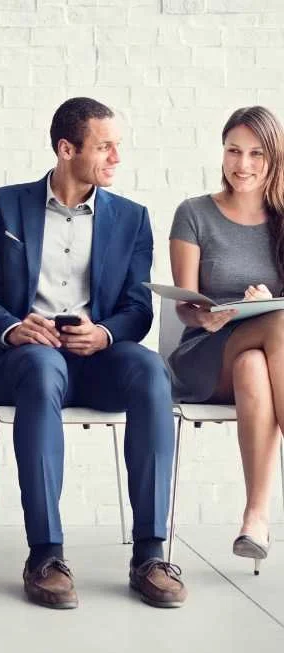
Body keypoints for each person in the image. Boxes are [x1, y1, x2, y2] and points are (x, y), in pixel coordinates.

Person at [0, 97, 187, 609]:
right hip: (28, 358)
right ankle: (45, 554)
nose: (115, 158)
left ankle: (150, 554)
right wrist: (15, 327)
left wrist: (105, 333)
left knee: (152, 370)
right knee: (43, 369)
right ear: (67, 149)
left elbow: (137, 307)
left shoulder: (132, 218)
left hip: (98, 357)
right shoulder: (5, 205)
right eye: (104, 146)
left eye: (117, 146)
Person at [168, 106, 284, 570]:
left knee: (253, 365)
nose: (243, 163)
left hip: (260, 358)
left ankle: (255, 519)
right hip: (203, 356)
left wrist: (265, 298)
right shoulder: (194, 213)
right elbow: (184, 303)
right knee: (278, 326)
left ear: (273, 159)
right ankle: (258, 515)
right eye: (234, 150)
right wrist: (207, 316)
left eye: (256, 153)